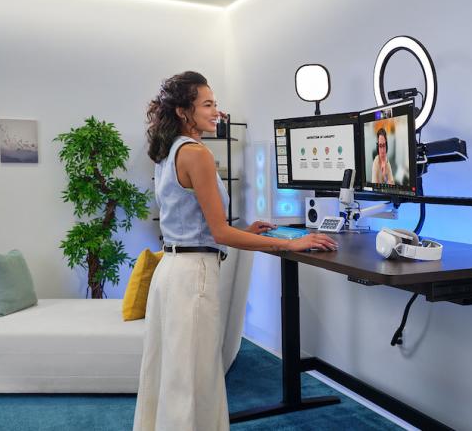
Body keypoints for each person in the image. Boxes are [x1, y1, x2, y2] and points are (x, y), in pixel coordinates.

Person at [134, 71, 337, 431]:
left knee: (172, 373)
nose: (218, 112)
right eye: (208, 104)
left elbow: (194, 224)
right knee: (194, 379)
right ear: (184, 111)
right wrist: (290, 243)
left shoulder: (168, 151)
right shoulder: (196, 154)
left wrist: (246, 230)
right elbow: (219, 232)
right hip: (192, 275)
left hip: (171, 272)